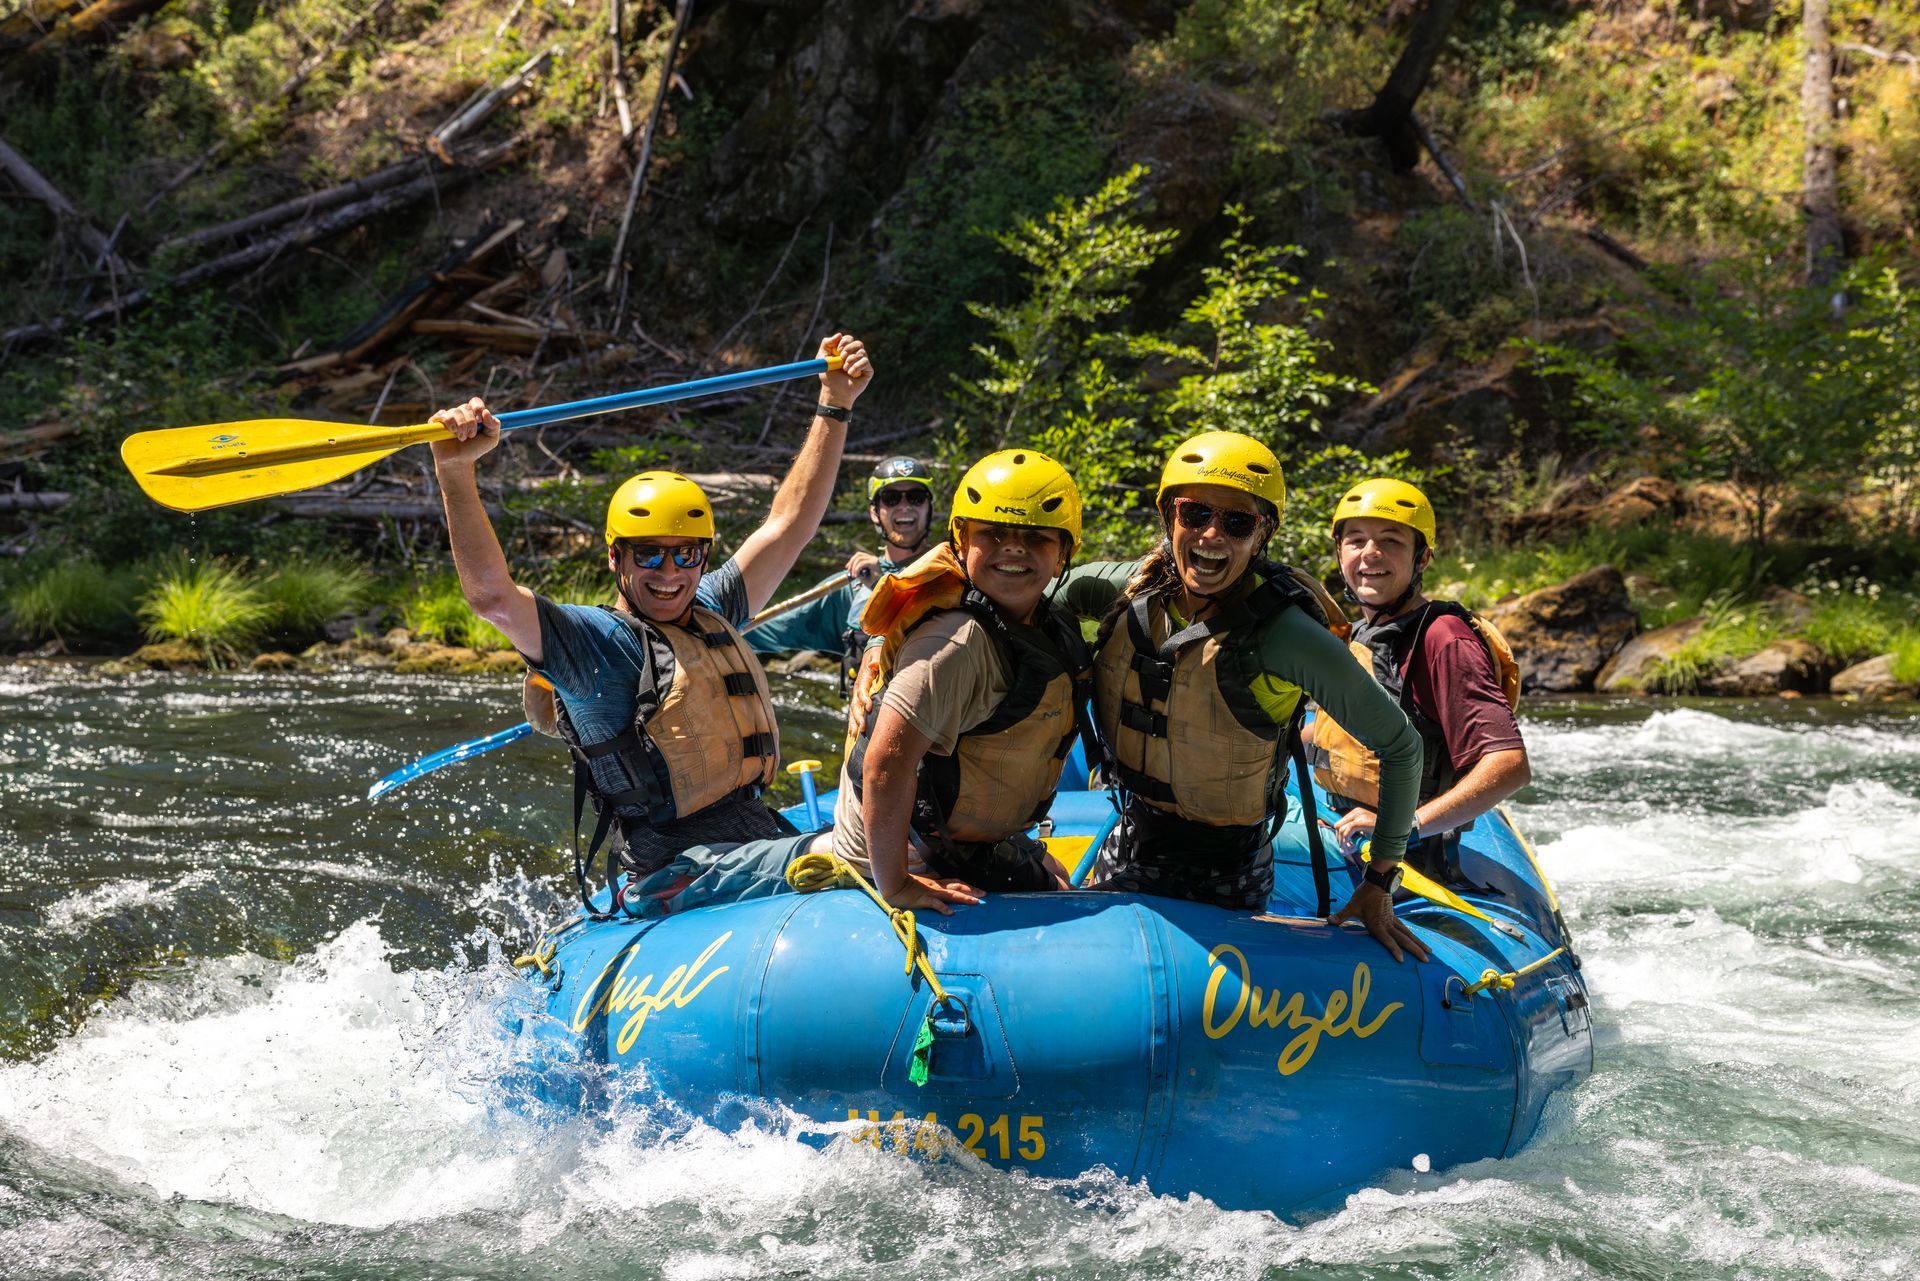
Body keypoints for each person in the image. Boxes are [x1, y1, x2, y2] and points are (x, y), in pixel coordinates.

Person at [426, 334, 874, 907]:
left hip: (754, 836)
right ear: (615, 557)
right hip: (678, 868)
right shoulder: (598, 645)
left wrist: (835, 402)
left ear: (703, 557)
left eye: (686, 554)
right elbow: (493, 599)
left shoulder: (711, 606)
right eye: (649, 554)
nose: (670, 572)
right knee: (862, 851)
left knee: (906, 834)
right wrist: (456, 473)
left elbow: (789, 524)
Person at [1059, 432, 1431, 963]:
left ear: (1262, 535)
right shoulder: (1121, 591)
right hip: (1133, 835)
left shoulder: (1286, 636)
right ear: (1169, 517)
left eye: (1237, 522)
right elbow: (1030, 596)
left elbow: (1401, 747)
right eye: (1195, 514)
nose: (1211, 535)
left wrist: (1378, 882)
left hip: (1229, 869)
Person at [1306, 478, 1528, 882]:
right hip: (1344, 827)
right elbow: (1339, 734)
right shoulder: (1363, 632)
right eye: (1355, 540)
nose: (1370, 553)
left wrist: (1404, 827)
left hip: (1409, 856)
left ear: (1422, 558)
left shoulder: (1444, 639)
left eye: (1390, 541)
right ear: (1339, 553)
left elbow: (1509, 765)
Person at [746, 457, 938, 687]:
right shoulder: (852, 586)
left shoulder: (948, 572)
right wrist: (713, 630)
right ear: (875, 512)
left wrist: (882, 587)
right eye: (891, 498)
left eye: (916, 497)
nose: (904, 506)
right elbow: (770, 629)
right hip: (865, 719)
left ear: (929, 507)